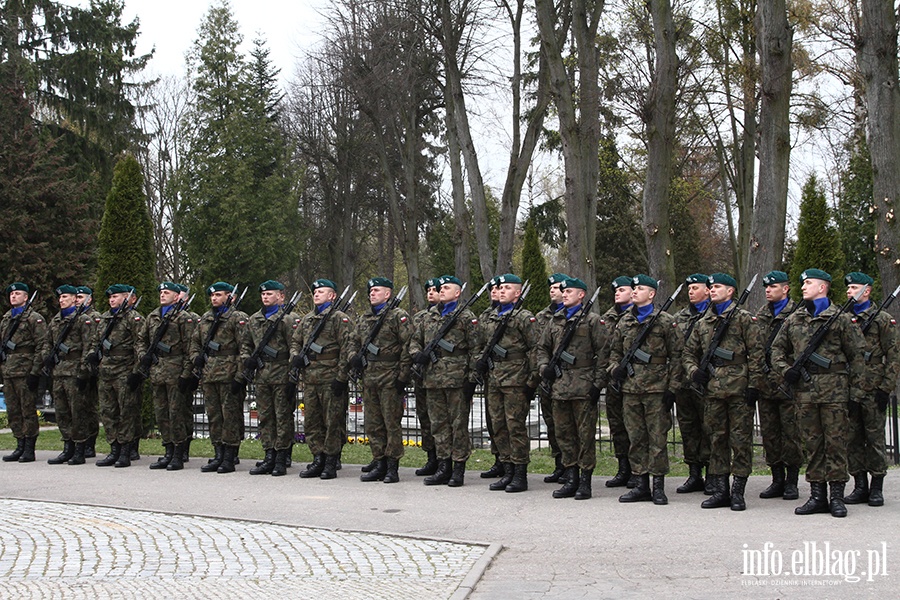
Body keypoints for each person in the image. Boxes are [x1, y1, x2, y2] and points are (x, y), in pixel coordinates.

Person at [771, 269, 867, 518]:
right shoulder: (794, 319)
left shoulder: (841, 319)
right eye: (802, 282)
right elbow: (776, 350)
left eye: (809, 283)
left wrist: (856, 395)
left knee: (835, 443)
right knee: (813, 444)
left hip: (834, 391)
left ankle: (837, 496)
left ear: (822, 287)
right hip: (805, 392)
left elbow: (857, 357)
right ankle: (817, 496)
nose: (803, 286)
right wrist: (786, 371)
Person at [683, 273, 763, 511]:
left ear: (730, 291)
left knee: (740, 441)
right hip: (713, 390)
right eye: (711, 287)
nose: (713, 289)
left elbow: (757, 355)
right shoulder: (703, 322)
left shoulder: (744, 319)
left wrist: (753, 385)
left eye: (717, 286)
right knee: (716, 440)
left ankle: (738, 491)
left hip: (739, 389)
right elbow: (688, 353)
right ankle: (720, 490)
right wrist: (694, 372)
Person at [609, 275, 681, 505]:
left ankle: (658, 485)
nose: (635, 291)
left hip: (656, 389)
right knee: (636, 437)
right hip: (630, 389)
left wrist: (672, 388)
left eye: (640, 288)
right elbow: (614, 353)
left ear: (651, 294)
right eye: (634, 288)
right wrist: (615, 369)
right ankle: (640, 483)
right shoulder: (624, 322)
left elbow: (677, 356)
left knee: (657, 438)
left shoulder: (665, 321)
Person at [537, 277, 608, 500]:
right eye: (563, 291)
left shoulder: (592, 320)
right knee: (564, 434)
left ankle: (585, 480)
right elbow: (542, 348)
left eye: (569, 291)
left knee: (584, 435)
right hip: (559, 386)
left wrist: (597, 384)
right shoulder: (555, 320)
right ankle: (571, 477)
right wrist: (543, 368)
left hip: (583, 385)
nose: (564, 294)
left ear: (581, 295)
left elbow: (604, 353)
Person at [410, 275, 479, 487]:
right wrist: (416, 354)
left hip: (456, 379)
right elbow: (414, 340)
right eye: (440, 287)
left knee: (458, 425)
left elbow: (476, 349)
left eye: (447, 287)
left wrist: (471, 379)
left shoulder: (466, 317)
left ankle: (458, 468)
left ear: (457, 293)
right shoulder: (428, 317)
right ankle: (443, 465)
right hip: (432, 379)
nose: (441, 290)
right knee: (438, 424)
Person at [475, 274, 540, 492]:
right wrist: (480, 363)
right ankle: (507, 468)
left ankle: (520, 473)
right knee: (498, 425)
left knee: (515, 426)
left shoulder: (524, 317)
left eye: (507, 288)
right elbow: (481, 344)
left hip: (515, 378)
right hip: (494, 377)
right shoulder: (491, 316)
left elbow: (535, 349)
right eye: (500, 288)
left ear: (518, 293)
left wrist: (531, 381)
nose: (502, 291)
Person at [842, 271, 898, 507]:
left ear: (867, 291)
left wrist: (886, 388)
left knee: (874, 439)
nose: (848, 292)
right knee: (852, 438)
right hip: (849, 387)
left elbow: (893, 355)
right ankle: (859, 485)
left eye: (854, 287)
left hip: (873, 386)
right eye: (848, 288)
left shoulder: (882, 319)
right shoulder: (843, 317)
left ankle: (877, 487)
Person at [350, 277, 413, 483]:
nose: (372, 293)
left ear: (388, 294)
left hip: (390, 376)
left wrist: (403, 376)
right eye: (370, 291)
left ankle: (392, 466)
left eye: (377, 290)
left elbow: (408, 346)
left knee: (391, 423)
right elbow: (353, 341)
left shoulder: (398, 316)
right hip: (370, 377)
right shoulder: (365, 317)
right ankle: (379, 462)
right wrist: (354, 357)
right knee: (373, 423)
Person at [292, 279, 353, 480]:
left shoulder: (339, 319)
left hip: (330, 377)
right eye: (315, 291)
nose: (316, 294)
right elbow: (295, 341)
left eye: (321, 291)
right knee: (312, 421)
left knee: (332, 421)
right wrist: (296, 357)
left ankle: (331, 460)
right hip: (310, 378)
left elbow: (347, 349)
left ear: (332, 295)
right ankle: (317, 457)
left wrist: (341, 377)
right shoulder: (308, 319)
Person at [240, 280, 299, 476]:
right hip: (262, 374)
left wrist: (292, 376)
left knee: (282, 416)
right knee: (265, 417)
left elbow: (294, 347)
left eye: (270, 294)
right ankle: (269, 455)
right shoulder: (254, 319)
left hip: (281, 373)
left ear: (281, 297)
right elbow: (246, 344)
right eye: (264, 294)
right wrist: (246, 360)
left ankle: (282, 457)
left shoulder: (288, 319)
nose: (265, 297)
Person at [134, 282, 194, 471]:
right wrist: (144, 355)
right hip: (158, 370)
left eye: (166, 292)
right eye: (161, 292)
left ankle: (178, 452)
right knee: (161, 414)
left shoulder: (183, 318)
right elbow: (141, 339)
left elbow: (190, 347)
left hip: (175, 370)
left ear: (176, 297)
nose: (162, 295)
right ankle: (167, 450)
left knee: (176, 413)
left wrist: (186, 374)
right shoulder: (152, 316)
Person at [189, 282, 248, 474]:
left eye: (219, 295)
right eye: (212, 296)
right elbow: (195, 344)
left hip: (229, 374)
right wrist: (195, 359)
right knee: (214, 416)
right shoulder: (205, 319)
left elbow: (244, 348)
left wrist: (240, 376)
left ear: (229, 297)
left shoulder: (237, 318)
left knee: (230, 416)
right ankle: (218, 453)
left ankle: (230, 456)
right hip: (209, 375)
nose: (214, 298)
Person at [755, 271, 803, 501]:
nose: (768, 290)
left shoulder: (797, 314)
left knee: (791, 433)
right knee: (770, 434)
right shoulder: (761, 315)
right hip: (766, 384)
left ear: (785, 289)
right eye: (766, 287)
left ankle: (792, 481)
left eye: (773, 287)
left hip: (788, 383)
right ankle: (776, 479)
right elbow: (754, 350)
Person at [86, 285, 143, 467]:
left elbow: (140, 345)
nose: (111, 300)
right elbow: (95, 341)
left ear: (128, 298)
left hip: (124, 371)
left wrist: (137, 372)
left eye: (116, 297)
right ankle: (114, 449)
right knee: (108, 412)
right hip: (106, 371)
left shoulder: (134, 318)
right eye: (110, 297)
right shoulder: (105, 318)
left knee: (126, 411)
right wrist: (92, 355)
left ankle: (126, 450)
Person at [43, 285, 94, 465]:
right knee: (62, 412)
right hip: (58, 371)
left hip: (74, 372)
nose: (61, 300)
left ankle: (80, 448)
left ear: (74, 299)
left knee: (77, 411)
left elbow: (89, 347)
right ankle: (67, 447)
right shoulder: (55, 320)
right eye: (60, 297)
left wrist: (83, 372)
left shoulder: (83, 320)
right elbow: (47, 343)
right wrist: (47, 359)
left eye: (65, 297)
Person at [671, 273, 711, 494]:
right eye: (690, 288)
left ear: (708, 290)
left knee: (710, 428)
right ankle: (694, 473)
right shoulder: (680, 317)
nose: (691, 291)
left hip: (706, 383)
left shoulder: (715, 315)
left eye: (696, 288)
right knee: (688, 428)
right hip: (684, 383)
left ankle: (713, 473)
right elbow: (675, 352)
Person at [0, 282, 48, 463]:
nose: (13, 296)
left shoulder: (34, 318)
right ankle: (19, 444)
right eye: (11, 294)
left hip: (25, 370)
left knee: (27, 409)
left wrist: (35, 372)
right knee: (13, 410)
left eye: (18, 293)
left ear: (26, 297)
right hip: (9, 370)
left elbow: (42, 345)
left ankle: (29, 447)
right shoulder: (6, 319)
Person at [600, 275, 635, 488]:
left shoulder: (639, 316)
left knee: (635, 426)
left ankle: (637, 469)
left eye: (622, 289)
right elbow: (603, 349)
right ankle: (623, 468)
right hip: (613, 379)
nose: (617, 293)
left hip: (635, 380)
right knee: (617, 424)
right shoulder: (608, 317)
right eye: (616, 290)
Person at [534, 273, 569, 483]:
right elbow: (537, 347)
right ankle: (559, 464)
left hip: (569, 379)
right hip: (546, 378)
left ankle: (570, 465)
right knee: (552, 424)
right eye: (551, 288)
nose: (553, 290)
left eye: (557, 287)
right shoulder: (541, 317)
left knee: (566, 426)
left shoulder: (577, 315)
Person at [411, 278, 441, 476]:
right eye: (428, 290)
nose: (430, 293)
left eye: (435, 290)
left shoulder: (451, 316)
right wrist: (416, 355)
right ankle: (431, 456)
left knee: (441, 419)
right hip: (423, 375)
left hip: (442, 374)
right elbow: (413, 340)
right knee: (425, 418)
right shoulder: (420, 317)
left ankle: (444, 458)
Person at [478, 277, 504, 479]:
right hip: (490, 374)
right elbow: (479, 343)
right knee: (492, 419)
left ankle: (511, 464)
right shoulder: (486, 315)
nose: (495, 292)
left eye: (498, 288)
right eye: (493, 289)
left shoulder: (516, 315)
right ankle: (498, 459)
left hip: (509, 375)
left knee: (508, 422)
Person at [75, 286, 102, 458]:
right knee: (77, 408)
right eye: (75, 297)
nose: (77, 299)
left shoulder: (95, 317)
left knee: (89, 407)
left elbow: (93, 345)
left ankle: (90, 442)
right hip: (72, 369)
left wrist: (90, 371)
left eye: (80, 297)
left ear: (89, 299)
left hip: (89, 369)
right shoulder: (72, 317)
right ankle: (78, 442)